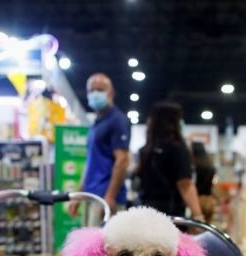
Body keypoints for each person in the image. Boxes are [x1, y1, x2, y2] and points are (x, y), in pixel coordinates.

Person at [68, 73, 131, 225]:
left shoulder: (118, 120)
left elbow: (122, 160)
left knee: (103, 247)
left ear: (111, 93)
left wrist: (110, 196)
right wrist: (78, 195)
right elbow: (90, 164)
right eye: (92, 90)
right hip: (92, 195)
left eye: (100, 89)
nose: (95, 93)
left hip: (106, 198)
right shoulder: (95, 123)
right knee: (88, 245)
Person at [136, 102, 203, 220]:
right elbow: (185, 185)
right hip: (170, 215)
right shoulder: (178, 149)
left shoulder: (146, 150)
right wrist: (198, 215)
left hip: (144, 211)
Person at [191, 141, 217, 224]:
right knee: (207, 225)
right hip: (209, 200)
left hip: (197, 200)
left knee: (196, 226)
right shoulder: (210, 167)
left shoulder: (194, 167)